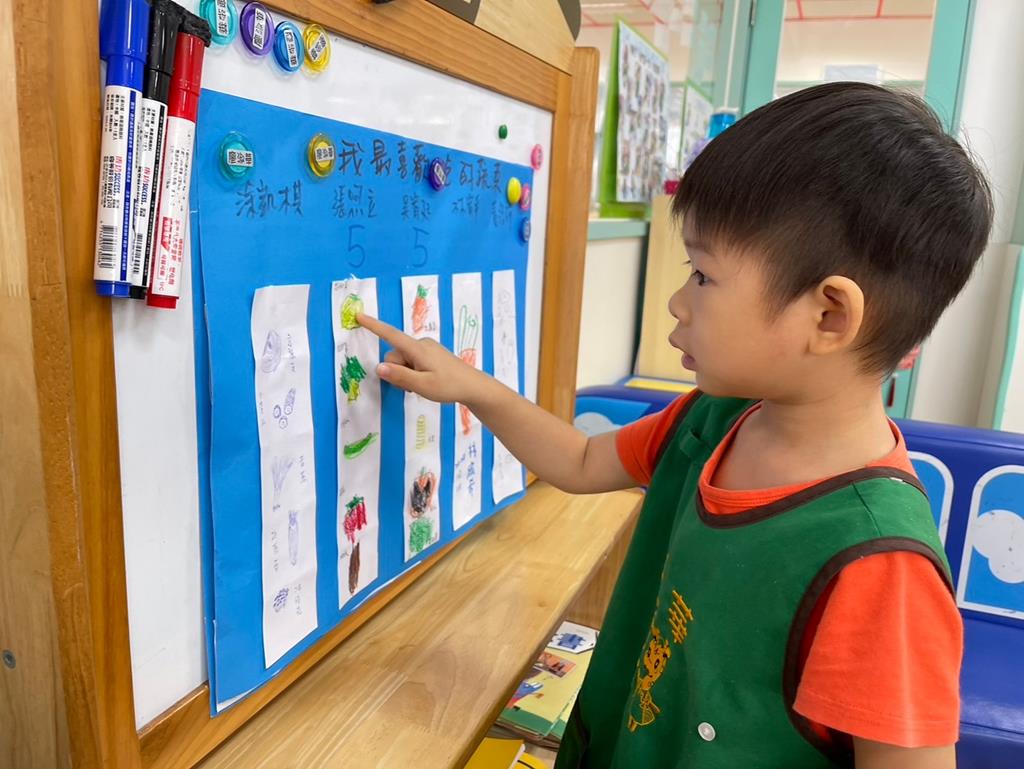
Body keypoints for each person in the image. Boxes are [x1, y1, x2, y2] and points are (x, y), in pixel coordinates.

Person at [358, 82, 993, 768]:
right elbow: (579, 461)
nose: (676, 301)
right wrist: (471, 387)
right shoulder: (713, 420)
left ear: (829, 315)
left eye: (702, 275)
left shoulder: (880, 569)